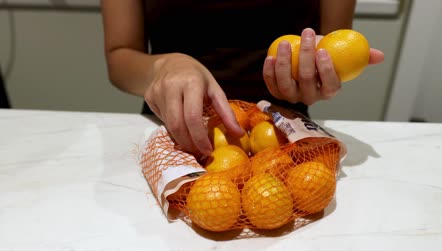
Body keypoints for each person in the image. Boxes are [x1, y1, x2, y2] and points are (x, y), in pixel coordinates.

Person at [100, 0, 384, 157]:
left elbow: (330, 45)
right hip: (174, 132)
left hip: (281, 134)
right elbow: (120, 56)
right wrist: (164, 66)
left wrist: (315, 76)